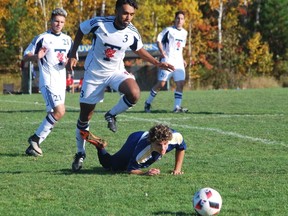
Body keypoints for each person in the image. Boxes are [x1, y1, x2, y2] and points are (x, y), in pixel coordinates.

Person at [67, 0, 175, 166]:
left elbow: (139, 50)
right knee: (84, 118)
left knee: (134, 93)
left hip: (116, 71)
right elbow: (81, 30)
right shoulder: (100, 23)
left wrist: (157, 63)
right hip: (94, 74)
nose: (128, 17)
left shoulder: (132, 31)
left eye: (132, 14)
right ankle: (80, 153)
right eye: (125, 13)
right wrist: (73, 53)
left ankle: (111, 114)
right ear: (116, 11)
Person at [23, 8, 73, 157]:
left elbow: (71, 58)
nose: (59, 24)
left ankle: (34, 146)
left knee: (55, 115)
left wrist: (70, 63)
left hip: (61, 82)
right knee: (60, 111)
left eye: (62, 22)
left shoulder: (67, 39)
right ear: (51, 21)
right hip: (48, 81)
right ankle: (35, 139)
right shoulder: (42, 38)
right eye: (56, 21)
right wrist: (35, 57)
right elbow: (25, 55)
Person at [73, 124, 186, 175]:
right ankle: (100, 147)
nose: (163, 148)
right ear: (151, 142)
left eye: (165, 144)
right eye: (159, 145)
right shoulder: (142, 152)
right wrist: (145, 173)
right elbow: (130, 170)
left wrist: (177, 169)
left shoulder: (175, 137)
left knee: (149, 158)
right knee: (112, 166)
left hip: (144, 137)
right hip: (135, 140)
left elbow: (181, 147)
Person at [144, 11, 188, 113]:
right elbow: (158, 40)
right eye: (178, 18)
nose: (179, 20)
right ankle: (148, 103)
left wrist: (183, 59)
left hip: (178, 62)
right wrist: (162, 52)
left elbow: (180, 48)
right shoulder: (169, 30)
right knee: (161, 84)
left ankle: (176, 107)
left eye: (181, 19)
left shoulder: (185, 33)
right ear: (175, 19)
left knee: (180, 84)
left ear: (184, 21)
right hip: (168, 60)